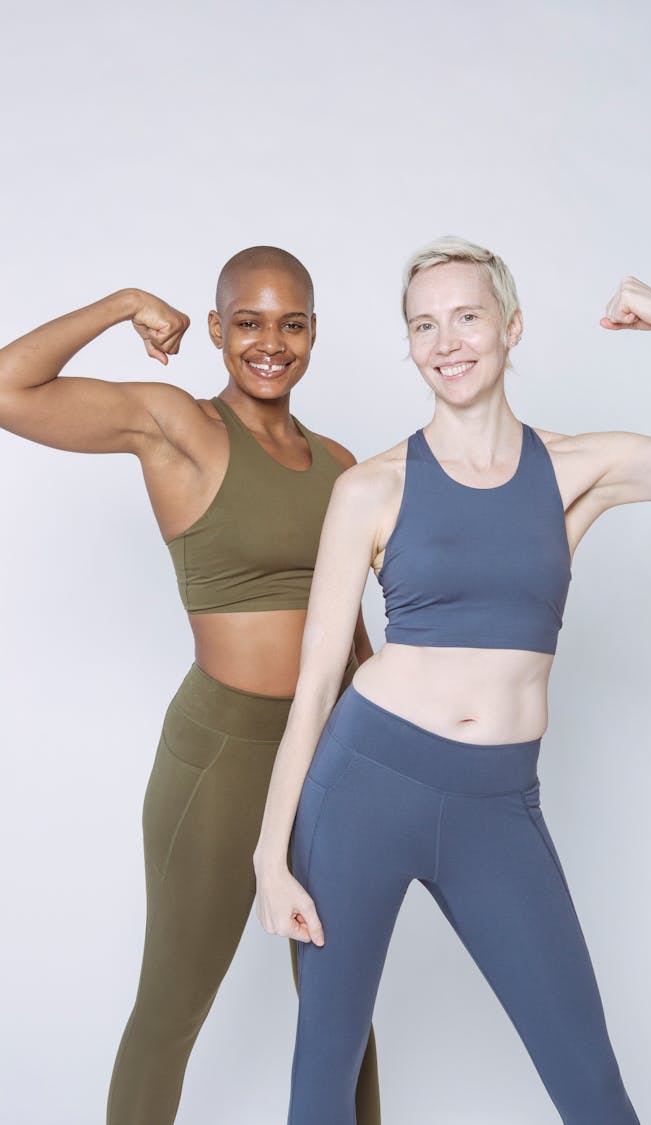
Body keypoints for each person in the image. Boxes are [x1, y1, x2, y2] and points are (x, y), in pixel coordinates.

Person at [254, 235, 651, 1124]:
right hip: (363, 787)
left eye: (468, 316)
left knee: (593, 1089)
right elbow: (315, 686)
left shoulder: (574, 470)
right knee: (323, 1079)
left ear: (512, 327)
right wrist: (268, 857)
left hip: (497, 806)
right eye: (424, 325)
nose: (447, 341)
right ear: (409, 345)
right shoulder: (372, 487)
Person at [0, 246, 380, 1125]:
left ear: (314, 333)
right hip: (223, 755)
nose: (270, 342)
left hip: (332, 752)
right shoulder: (182, 427)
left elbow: (351, 626)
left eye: (291, 323)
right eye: (248, 321)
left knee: (342, 1012)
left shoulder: (339, 461)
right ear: (216, 329)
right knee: (172, 1011)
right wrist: (125, 300)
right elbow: (10, 386)